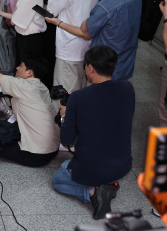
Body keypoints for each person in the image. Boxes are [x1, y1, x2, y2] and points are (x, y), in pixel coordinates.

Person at [51, 46, 134, 220]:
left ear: (90, 68)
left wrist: (65, 114)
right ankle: (108, 184)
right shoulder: (128, 88)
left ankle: (91, 192)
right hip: (122, 165)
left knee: (57, 179)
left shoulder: (79, 97)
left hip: (91, 167)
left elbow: (67, 139)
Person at [46, 0, 142, 81]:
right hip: (125, 63)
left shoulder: (106, 6)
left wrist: (58, 22)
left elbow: (86, 34)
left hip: (104, 68)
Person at [0, 51, 60, 167]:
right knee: (1, 129)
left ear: (29, 73)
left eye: (21, 66)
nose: (17, 68)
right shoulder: (42, 87)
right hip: (53, 150)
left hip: (36, 156)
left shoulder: (22, 85)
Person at [47, 0, 103, 95]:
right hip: (87, 45)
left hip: (68, 47)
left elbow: (51, 9)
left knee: (64, 95)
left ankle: (65, 119)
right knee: (81, 90)